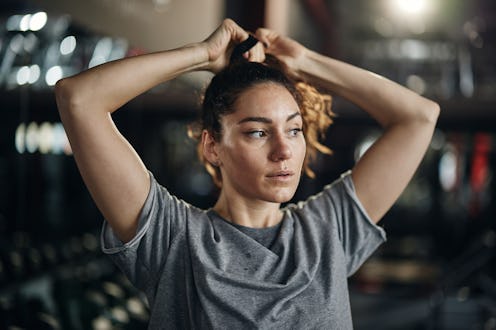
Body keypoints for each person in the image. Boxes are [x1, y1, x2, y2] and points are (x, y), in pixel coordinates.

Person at [55, 19, 439, 329]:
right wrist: (201, 55)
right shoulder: (172, 237)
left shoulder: (329, 229)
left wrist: (306, 62)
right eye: (258, 132)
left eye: (293, 129)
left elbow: (419, 117)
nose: (284, 149)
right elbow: (79, 98)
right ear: (212, 147)